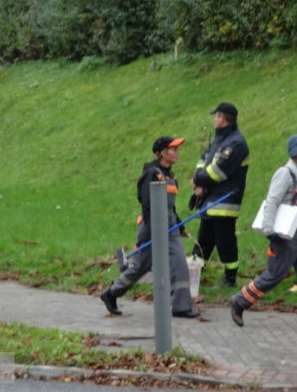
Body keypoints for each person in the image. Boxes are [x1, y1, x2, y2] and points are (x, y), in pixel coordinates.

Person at [229, 134, 297, 331]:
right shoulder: (285, 173)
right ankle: (240, 301)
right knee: (275, 275)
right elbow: (272, 201)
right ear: (294, 150)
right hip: (286, 235)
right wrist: (269, 231)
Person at [100, 136, 200, 319]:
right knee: (140, 267)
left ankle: (180, 306)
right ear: (162, 153)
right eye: (173, 149)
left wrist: (180, 226)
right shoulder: (151, 173)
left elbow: (171, 207)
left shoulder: (171, 176)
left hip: (169, 226)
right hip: (152, 225)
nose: (177, 153)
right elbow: (147, 204)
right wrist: (155, 230)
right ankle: (111, 293)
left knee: (179, 263)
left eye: (177, 149)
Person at [191, 102, 250, 288]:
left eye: (216, 116)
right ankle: (191, 275)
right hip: (210, 200)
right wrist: (198, 181)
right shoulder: (219, 140)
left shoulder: (236, 144)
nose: (214, 119)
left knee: (225, 242)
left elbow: (218, 172)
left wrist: (199, 180)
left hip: (225, 202)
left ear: (222, 119)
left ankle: (230, 278)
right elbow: (204, 159)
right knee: (203, 241)